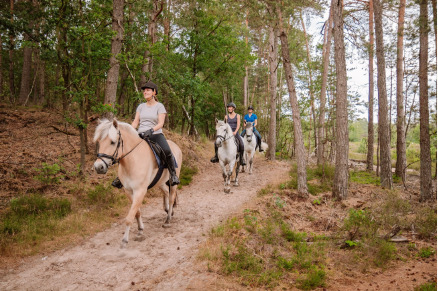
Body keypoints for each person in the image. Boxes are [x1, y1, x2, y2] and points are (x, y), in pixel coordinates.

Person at [112, 81, 180, 188]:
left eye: (148, 90)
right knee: (124, 150)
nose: (145, 92)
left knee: (167, 150)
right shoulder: (141, 106)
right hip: (140, 134)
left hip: (155, 134)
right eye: (144, 90)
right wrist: (129, 130)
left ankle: (173, 175)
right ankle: (120, 178)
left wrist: (151, 130)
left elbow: (161, 123)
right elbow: (136, 121)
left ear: (154, 92)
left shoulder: (160, 106)